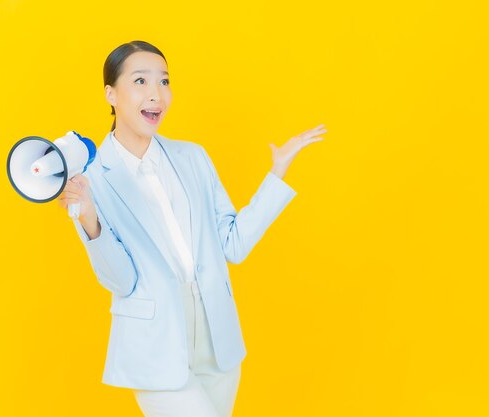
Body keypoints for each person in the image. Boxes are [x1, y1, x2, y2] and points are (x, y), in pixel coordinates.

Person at [58, 40, 326, 417]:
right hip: (156, 346)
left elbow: (233, 245)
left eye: (164, 81)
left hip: (218, 342)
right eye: (140, 81)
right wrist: (88, 218)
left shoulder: (193, 157)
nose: (156, 94)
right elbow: (121, 281)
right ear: (111, 94)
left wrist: (276, 174)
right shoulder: (90, 179)